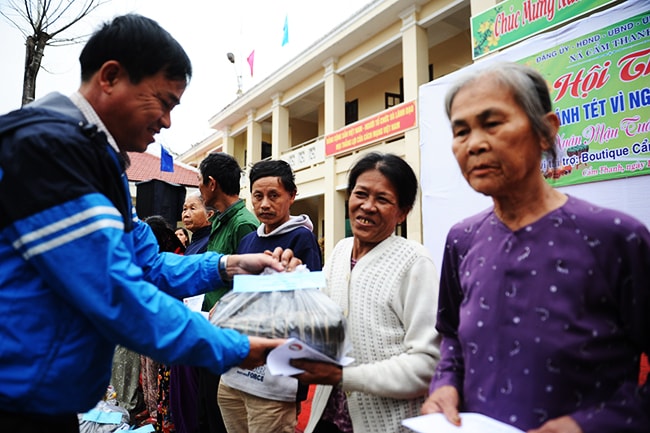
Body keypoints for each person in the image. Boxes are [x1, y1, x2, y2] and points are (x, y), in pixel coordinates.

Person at [0, 14, 299, 433]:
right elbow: (118, 292)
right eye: (164, 102)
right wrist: (237, 346)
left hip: (41, 404)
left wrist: (228, 264)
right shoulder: (50, 152)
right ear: (110, 77)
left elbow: (149, 263)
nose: (167, 121)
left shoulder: (101, 165)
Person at [421, 62, 650, 433]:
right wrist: (445, 385)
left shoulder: (616, 238)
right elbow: (452, 339)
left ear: (546, 132)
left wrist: (590, 425)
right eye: (460, 131)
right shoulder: (462, 240)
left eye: (492, 123)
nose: (475, 143)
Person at [292, 152, 441, 433]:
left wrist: (343, 376)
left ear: (403, 211)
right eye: (360, 194)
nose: (368, 206)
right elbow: (320, 321)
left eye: (382, 199)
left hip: (385, 424)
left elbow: (426, 364)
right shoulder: (339, 251)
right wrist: (291, 279)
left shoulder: (414, 261)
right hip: (327, 418)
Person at [218, 159, 322, 433]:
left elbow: (310, 305)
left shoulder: (302, 239)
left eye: (274, 195)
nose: (264, 204)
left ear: (292, 196)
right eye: (258, 195)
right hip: (235, 371)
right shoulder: (248, 241)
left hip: (275, 377)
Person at [196, 152, 260, 433]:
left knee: (224, 414)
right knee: (209, 406)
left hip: (229, 333)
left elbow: (249, 285)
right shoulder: (220, 221)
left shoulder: (243, 223)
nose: (199, 189)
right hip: (210, 328)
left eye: (200, 182)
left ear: (211, 183)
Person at [169, 194, 215, 433]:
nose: (185, 213)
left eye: (192, 208)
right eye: (184, 208)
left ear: (209, 214)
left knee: (193, 396)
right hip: (185, 323)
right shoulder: (194, 244)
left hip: (199, 325)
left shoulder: (209, 242)